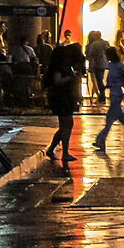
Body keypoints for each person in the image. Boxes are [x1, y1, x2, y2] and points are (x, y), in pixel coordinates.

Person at [43, 27, 86, 168]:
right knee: (67, 124)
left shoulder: (61, 66)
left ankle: (52, 149)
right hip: (61, 98)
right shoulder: (59, 68)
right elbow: (57, 81)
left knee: (65, 125)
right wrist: (70, 78)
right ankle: (64, 152)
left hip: (63, 97)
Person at [92, 44, 124, 154]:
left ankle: (100, 140)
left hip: (117, 94)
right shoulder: (111, 65)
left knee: (109, 121)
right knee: (122, 120)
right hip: (113, 94)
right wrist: (106, 87)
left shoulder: (119, 65)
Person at [85, 31, 108, 107]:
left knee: (98, 81)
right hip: (103, 64)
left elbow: (90, 54)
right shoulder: (105, 43)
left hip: (96, 64)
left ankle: (101, 96)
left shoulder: (94, 44)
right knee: (99, 80)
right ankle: (100, 96)